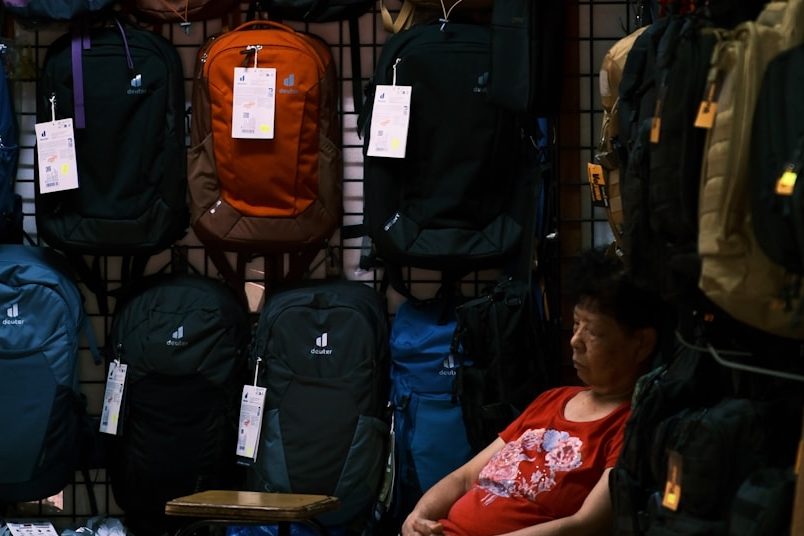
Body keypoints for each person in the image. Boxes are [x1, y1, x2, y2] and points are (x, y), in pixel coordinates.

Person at [401, 249, 664, 536]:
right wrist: (418, 517)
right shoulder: (553, 399)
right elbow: (465, 478)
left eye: (594, 333)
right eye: (576, 325)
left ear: (642, 344)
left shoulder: (630, 425)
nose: (575, 341)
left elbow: (586, 523)